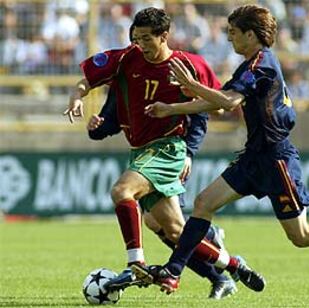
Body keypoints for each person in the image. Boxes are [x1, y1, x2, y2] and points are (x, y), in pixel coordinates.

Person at [139, 4, 309, 294]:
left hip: (277, 161)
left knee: (302, 236)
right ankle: (174, 272)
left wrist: (191, 85)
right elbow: (219, 100)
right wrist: (172, 108)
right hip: (254, 157)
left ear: (251, 34)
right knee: (203, 203)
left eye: (234, 33)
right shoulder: (250, 65)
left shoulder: (262, 65)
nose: (229, 38)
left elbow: (228, 102)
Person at [63, 7, 263, 298]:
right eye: (136, 38)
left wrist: (189, 98)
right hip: (140, 151)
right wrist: (76, 98)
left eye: (146, 38)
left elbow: (219, 105)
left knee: (121, 191)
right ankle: (233, 266)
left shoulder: (189, 65)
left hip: (168, 148)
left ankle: (135, 263)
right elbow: (86, 80)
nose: (140, 44)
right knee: (174, 230)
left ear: (164, 36)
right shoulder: (125, 58)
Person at [86, 85, 235, 299]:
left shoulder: (169, 70)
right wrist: (96, 128)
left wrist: (190, 152)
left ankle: (220, 264)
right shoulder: (122, 76)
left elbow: (200, 113)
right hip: (143, 157)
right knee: (162, 225)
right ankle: (215, 253)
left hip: (169, 155)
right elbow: (112, 120)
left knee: (171, 228)